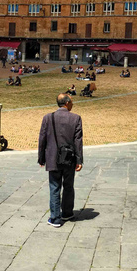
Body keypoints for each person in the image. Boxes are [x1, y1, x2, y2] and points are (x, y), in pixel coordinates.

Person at [38, 93, 84, 227]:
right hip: (69, 158)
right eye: (72, 102)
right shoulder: (76, 118)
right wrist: (79, 160)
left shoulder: (48, 117)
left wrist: (41, 158)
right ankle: (67, 212)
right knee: (68, 186)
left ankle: (55, 218)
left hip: (52, 158)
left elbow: (42, 139)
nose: (73, 104)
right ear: (67, 103)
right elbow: (78, 141)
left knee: (54, 187)